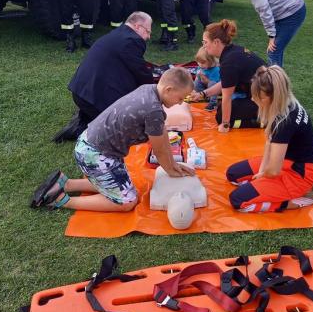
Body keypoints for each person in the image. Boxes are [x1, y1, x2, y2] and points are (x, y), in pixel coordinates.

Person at [31, 68, 195, 213]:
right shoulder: (153, 111)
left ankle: (65, 183)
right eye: (180, 98)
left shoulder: (149, 89)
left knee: (122, 185)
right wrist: (170, 169)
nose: (180, 102)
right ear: (168, 89)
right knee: (127, 201)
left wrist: (172, 163)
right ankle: (61, 201)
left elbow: (162, 133)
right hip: (96, 155)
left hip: (90, 144)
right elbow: (159, 150)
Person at [226, 65, 313, 213]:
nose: (252, 99)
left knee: (238, 201)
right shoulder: (285, 103)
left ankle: (296, 200)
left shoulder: (283, 122)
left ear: (272, 97)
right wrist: (262, 170)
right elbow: (270, 143)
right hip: (286, 162)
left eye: (258, 96)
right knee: (232, 174)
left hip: (298, 176)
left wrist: (263, 175)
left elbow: (274, 171)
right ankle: (270, 190)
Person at [53, 12, 154, 143]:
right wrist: (155, 90)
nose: (148, 37)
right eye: (148, 32)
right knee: (132, 130)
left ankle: (84, 122)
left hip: (80, 92)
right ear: (137, 26)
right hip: (92, 98)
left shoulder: (118, 34)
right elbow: (140, 72)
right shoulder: (132, 40)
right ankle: (87, 129)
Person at [191, 19, 265, 131]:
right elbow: (225, 83)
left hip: (266, 100)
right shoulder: (233, 51)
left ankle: (266, 119)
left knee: (221, 116)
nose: (204, 46)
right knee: (224, 109)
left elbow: (227, 97)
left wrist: (225, 124)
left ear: (216, 42)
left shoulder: (229, 62)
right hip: (265, 95)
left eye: (205, 42)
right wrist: (203, 94)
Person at [225, 0, 306, 67]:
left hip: (293, 13)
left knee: (273, 51)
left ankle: (275, 81)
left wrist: (271, 36)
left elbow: (265, 14)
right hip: (289, 10)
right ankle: (277, 78)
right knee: (276, 50)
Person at [193, 47, 220, 111]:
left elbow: (216, 86)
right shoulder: (201, 67)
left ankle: (213, 103)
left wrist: (205, 79)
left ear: (211, 61)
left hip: (216, 89)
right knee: (196, 82)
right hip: (205, 88)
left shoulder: (216, 69)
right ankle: (201, 96)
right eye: (198, 62)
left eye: (202, 63)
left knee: (212, 83)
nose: (200, 65)